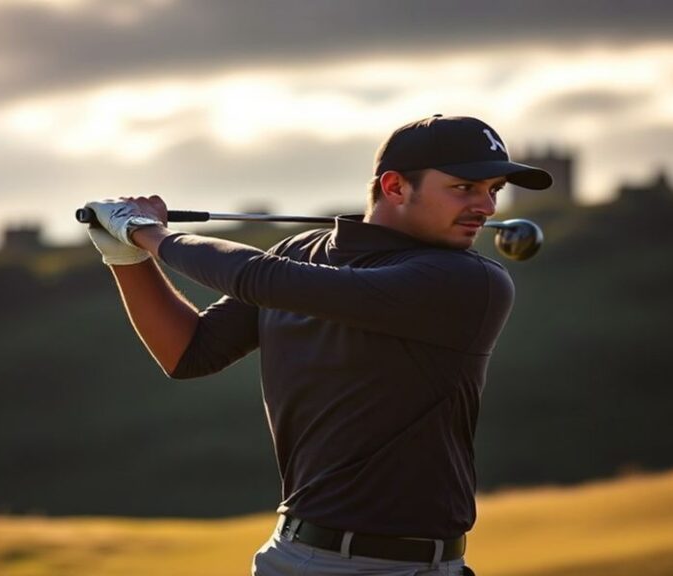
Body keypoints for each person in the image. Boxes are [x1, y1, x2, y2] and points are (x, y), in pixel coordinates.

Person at [84, 114, 552, 576]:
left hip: (406, 568)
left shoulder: (469, 282)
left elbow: (258, 277)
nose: (488, 207)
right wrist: (126, 257)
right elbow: (189, 353)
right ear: (394, 187)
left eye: (493, 190)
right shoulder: (300, 251)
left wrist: (148, 232)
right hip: (292, 555)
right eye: (465, 188)